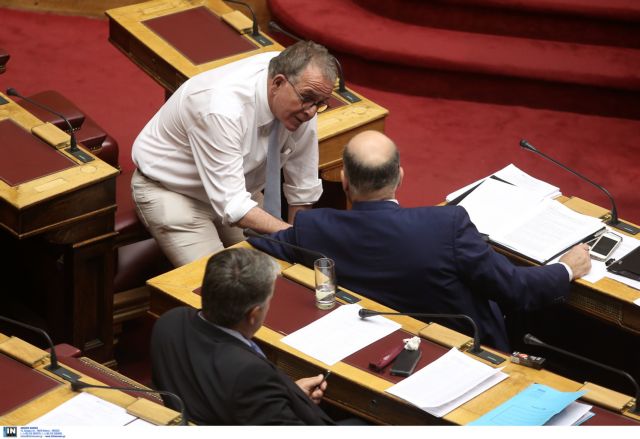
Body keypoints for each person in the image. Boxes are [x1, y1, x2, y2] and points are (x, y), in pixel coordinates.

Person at [249, 130, 592, 352]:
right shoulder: (447, 225)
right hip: (463, 352)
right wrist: (566, 268)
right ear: (400, 176)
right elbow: (515, 288)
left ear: (344, 180)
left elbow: (258, 246)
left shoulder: (315, 228)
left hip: (371, 345)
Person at [131, 41, 338, 267]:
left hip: (241, 188)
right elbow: (234, 206)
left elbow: (302, 187)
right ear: (277, 83)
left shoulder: (304, 95)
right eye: (307, 99)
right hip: (174, 192)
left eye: (319, 104)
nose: (311, 112)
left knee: (280, 270)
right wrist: (294, 236)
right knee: (226, 283)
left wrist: (296, 251)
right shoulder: (221, 108)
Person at [150, 247, 335, 425]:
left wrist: (288, 394)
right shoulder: (249, 373)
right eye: (269, 300)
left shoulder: (170, 322)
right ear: (254, 314)